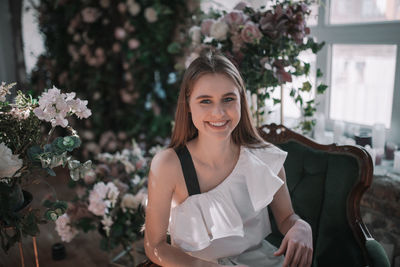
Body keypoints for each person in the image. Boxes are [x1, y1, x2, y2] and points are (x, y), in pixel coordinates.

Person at [144, 51, 313, 267]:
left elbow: (286, 218)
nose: (219, 112)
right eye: (205, 101)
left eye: (228, 99)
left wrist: (301, 227)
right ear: (188, 105)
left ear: (241, 101)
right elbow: (154, 246)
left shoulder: (264, 157)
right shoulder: (168, 165)